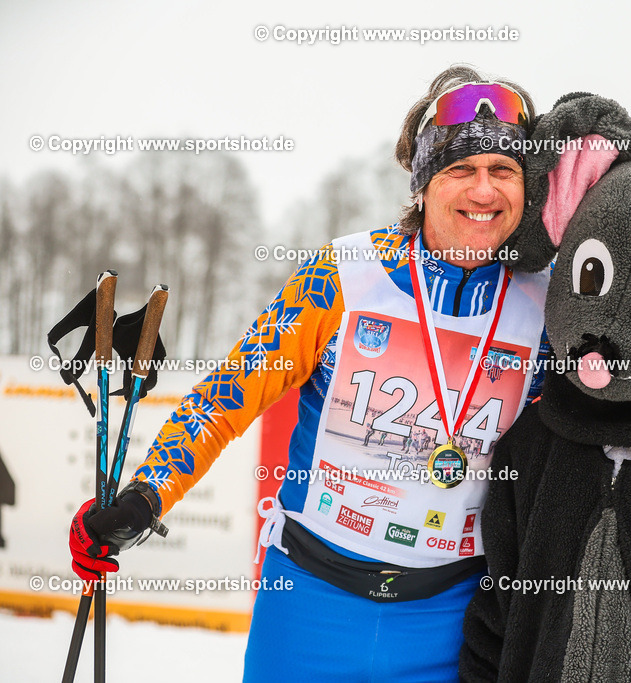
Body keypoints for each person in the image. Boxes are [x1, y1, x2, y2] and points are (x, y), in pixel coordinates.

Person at [68, 65, 550, 682]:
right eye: (461, 170)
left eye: (503, 171)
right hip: (310, 603)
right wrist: (144, 493)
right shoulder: (345, 274)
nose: (484, 192)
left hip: (454, 622)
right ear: (425, 183)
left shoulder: (547, 304)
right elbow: (228, 395)